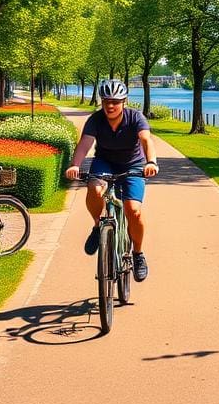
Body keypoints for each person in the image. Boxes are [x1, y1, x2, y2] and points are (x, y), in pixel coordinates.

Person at [65, 79, 158, 282]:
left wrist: (151, 162)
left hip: (132, 164)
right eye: (106, 101)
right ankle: (98, 227)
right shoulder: (96, 120)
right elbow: (84, 145)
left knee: (133, 210)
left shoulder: (136, 118)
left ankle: (138, 254)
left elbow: (146, 140)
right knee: (94, 189)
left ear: (124, 101)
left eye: (115, 101)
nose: (110, 105)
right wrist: (75, 165)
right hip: (104, 162)